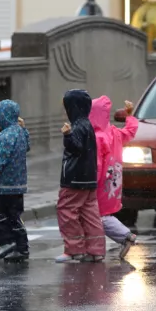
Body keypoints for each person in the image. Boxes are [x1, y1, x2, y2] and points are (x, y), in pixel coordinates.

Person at [56, 89, 106, 263]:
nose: (65, 111)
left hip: (74, 179)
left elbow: (76, 148)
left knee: (66, 210)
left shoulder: (77, 126)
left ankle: (74, 249)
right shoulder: (88, 125)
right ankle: (96, 250)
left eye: (66, 106)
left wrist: (67, 135)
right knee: (89, 213)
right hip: (88, 178)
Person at [88, 95, 139, 261]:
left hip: (101, 183)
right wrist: (130, 116)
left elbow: (97, 165)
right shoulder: (115, 132)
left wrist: (90, 183)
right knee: (102, 214)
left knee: (97, 216)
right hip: (114, 182)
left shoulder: (97, 137)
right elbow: (130, 131)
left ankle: (125, 236)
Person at [0, 99, 30, 262]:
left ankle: (6, 241)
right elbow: (27, 146)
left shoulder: (5, 136)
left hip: (3, 185)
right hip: (19, 184)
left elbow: (0, 162)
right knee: (14, 216)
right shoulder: (21, 132)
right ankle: (22, 248)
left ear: (4, 117)